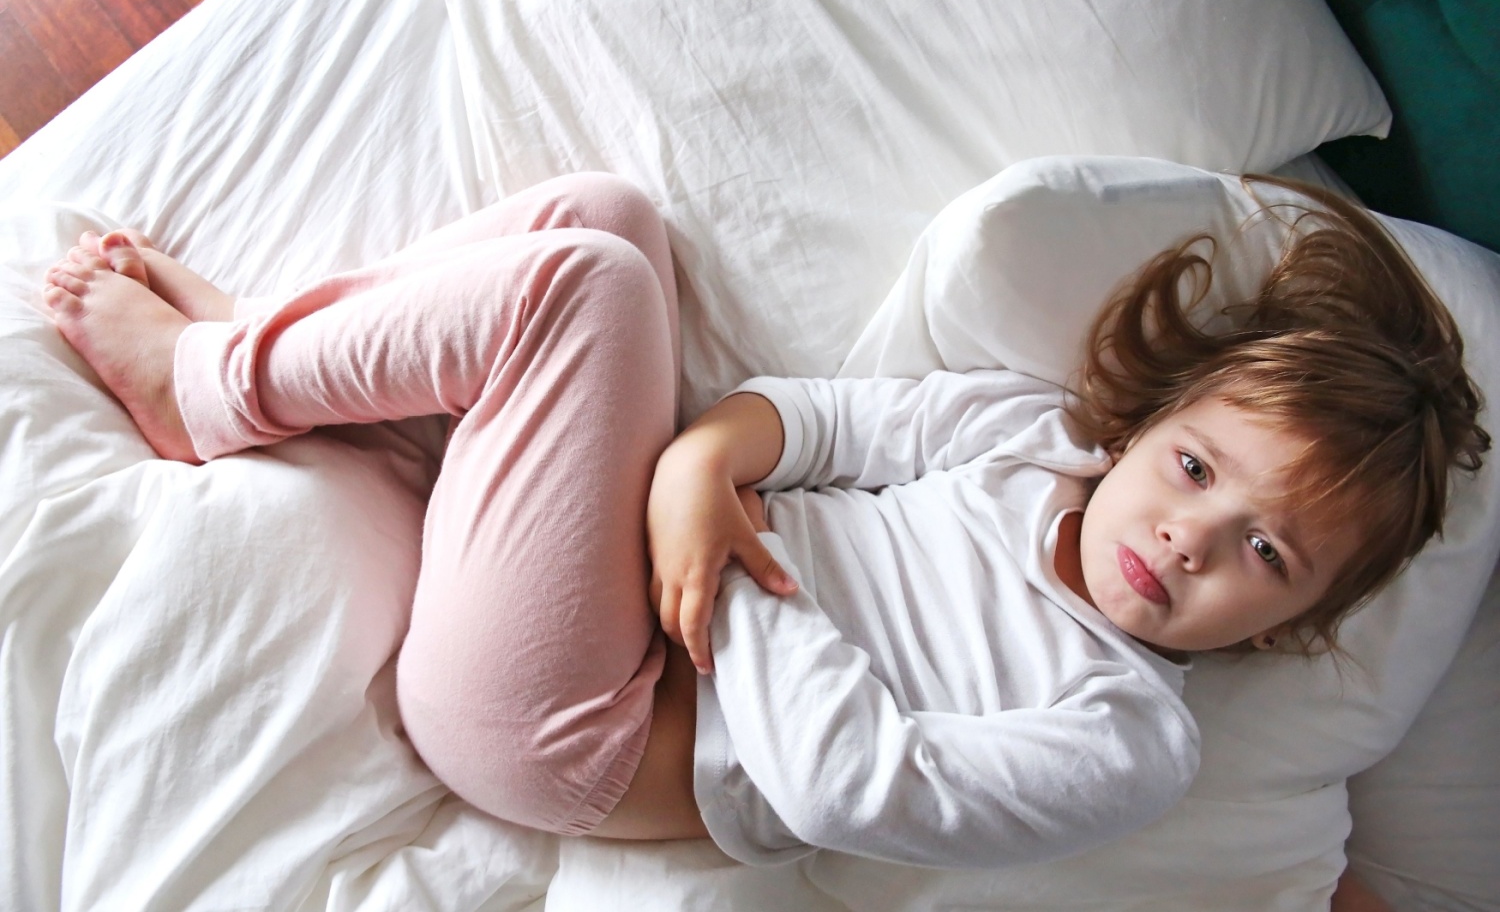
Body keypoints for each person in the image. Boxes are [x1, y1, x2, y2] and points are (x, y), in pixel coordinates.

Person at [38, 172, 1487, 871]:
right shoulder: (1027, 441)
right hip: (640, 554)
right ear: (1145, 431)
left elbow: (853, 788)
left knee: (587, 291)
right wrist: (702, 467)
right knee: (607, 219)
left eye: (1266, 555)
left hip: (579, 722)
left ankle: (215, 384)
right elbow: (825, 421)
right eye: (1195, 472)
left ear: (1291, 624)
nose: (1190, 541)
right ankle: (291, 354)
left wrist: (727, 554)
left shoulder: (1128, 741)